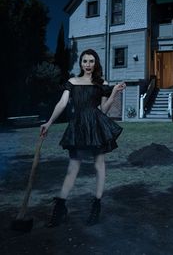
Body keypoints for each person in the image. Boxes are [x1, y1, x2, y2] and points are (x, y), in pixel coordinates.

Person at [40, 49, 126, 227]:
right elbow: (62, 103)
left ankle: (96, 206)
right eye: (85, 61)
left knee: (98, 164)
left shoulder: (102, 82)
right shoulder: (72, 82)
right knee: (73, 167)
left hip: (96, 125)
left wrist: (114, 92)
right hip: (78, 125)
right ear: (80, 63)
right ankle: (61, 207)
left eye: (91, 61)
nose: (88, 64)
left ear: (96, 63)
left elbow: (104, 110)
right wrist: (49, 122)